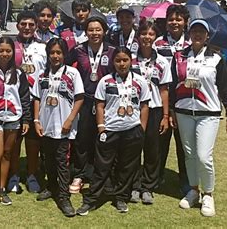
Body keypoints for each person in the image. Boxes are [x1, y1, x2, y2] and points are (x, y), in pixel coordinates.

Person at [170, 19, 227, 217]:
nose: (197, 34)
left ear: (207, 35)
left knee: (203, 156)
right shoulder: (180, 56)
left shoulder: (216, 58)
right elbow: (174, 84)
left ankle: (208, 194)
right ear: (189, 34)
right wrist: (172, 111)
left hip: (208, 113)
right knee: (189, 154)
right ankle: (193, 190)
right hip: (183, 112)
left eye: (201, 31)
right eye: (194, 31)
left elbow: (225, 88)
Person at [76, 47, 151, 216]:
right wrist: (101, 127)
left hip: (132, 130)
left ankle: (121, 198)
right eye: (118, 60)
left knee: (126, 167)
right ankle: (91, 200)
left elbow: (145, 105)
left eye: (125, 60)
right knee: (102, 167)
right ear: (113, 62)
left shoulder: (140, 81)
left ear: (131, 61)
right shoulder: (105, 81)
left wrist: (142, 128)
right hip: (110, 130)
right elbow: (100, 105)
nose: (122, 64)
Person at [33, 38, 84, 217]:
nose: (55, 56)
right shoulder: (42, 73)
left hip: (63, 125)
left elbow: (79, 98)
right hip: (46, 124)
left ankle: (63, 196)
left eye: (59, 52)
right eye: (52, 52)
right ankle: (51, 187)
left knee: (62, 161)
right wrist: (36, 121)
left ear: (64, 54)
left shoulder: (72, 73)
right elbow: (37, 98)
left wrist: (70, 120)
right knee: (48, 159)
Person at [67, 17, 116, 194]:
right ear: (86, 32)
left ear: (104, 31)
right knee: (82, 139)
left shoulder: (112, 50)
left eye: (98, 30)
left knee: (104, 139)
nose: (94, 33)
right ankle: (79, 174)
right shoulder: (78, 50)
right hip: (84, 100)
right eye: (91, 30)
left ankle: (102, 175)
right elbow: (66, 69)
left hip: (106, 101)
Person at [0, 37, 31, 207]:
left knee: (8, 154)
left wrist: (26, 119)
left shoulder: (19, 73)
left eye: (8, 51)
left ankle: (1, 189)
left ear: (13, 52)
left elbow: (24, 97)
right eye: (1, 50)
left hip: (13, 119)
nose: (4, 54)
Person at [130, 21, 172, 205]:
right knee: (132, 149)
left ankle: (147, 187)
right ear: (138, 36)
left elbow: (164, 90)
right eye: (144, 33)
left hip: (154, 110)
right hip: (133, 110)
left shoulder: (162, 61)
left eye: (151, 34)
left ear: (156, 37)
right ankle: (133, 185)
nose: (147, 37)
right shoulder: (129, 59)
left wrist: (165, 115)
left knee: (152, 150)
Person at [7, 11, 47, 194]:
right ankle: (13, 175)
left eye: (31, 24)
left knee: (33, 142)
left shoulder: (43, 46)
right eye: (24, 24)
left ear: (36, 26)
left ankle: (31, 175)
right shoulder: (9, 45)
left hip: (35, 100)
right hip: (14, 100)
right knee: (14, 141)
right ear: (18, 25)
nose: (27, 27)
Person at [153, 4, 191, 196]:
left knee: (184, 143)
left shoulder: (191, 44)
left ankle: (185, 179)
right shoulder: (158, 43)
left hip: (184, 100)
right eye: (171, 19)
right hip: (162, 99)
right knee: (160, 141)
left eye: (179, 19)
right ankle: (156, 177)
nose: (174, 22)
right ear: (166, 22)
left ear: (185, 22)